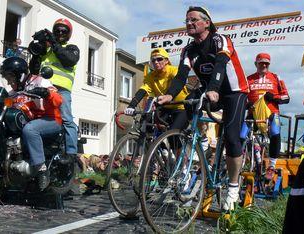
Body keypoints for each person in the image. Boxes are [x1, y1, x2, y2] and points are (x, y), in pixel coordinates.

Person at [158, 6, 249, 211]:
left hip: (234, 92)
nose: (189, 23)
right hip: (210, 90)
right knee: (188, 104)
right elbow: (181, 76)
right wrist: (170, 95)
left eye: (193, 20)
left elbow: (220, 65)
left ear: (206, 22)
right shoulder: (188, 50)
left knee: (232, 138)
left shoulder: (220, 40)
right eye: (187, 21)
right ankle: (201, 143)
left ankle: (233, 187)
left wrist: (215, 88)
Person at [0, 56, 63, 190]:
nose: (9, 82)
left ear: (20, 75)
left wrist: (46, 93)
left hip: (51, 119)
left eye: (11, 77)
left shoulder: (39, 81)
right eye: (7, 78)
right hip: (33, 122)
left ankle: (41, 169)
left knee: (30, 129)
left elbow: (59, 100)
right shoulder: (13, 93)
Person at [30, 18, 80, 163]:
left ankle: (71, 153)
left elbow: (68, 60)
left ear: (69, 33)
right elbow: (33, 69)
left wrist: (53, 42)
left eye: (63, 31)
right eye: (57, 30)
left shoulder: (72, 48)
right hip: (41, 89)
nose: (60, 32)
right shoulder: (47, 50)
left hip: (61, 91)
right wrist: (37, 52)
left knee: (66, 118)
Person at [242, 53, 289, 180]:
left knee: (275, 132)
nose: (264, 65)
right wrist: (247, 104)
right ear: (255, 64)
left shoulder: (275, 77)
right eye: (261, 63)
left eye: (266, 63)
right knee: (241, 135)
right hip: (253, 114)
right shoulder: (248, 79)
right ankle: (247, 158)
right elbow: (241, 98)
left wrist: (274, 97)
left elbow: (286, 97)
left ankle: (271, 166)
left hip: (272, 114)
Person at [124, 48, 189, 130]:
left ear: (166, 61)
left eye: (159, 59)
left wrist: (169, 95)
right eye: (153, 60)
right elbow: (143, 90)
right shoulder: (150, 76)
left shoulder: (174, 70)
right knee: (148, 125)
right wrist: (131, 105)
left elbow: (177, 82)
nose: (156, 62)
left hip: (181, 106)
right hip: (165, 107)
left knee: (172, 133)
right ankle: (154, 142)